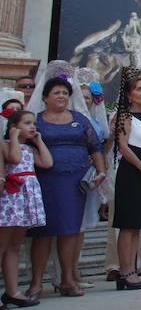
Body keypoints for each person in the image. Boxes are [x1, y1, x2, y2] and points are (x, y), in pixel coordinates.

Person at [26, 72, 106, 298]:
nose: (61, 96)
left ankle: (68, 279)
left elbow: (95, 147)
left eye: (65, 93)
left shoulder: (80, 120)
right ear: (45, 97)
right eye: (56, 93)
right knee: (43, 232)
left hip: (75, 183)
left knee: (70, 231)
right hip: (45, 181)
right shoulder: (37, 120)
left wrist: (100, 172)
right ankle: (36, 283)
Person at [111, 68, 141, 291]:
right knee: (127, 224)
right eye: (139, 89)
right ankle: (125, 272)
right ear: (129, 94)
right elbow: (122, 146)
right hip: (130, 172)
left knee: (137, 225)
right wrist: (140, 166)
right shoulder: (125, 116)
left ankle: (132, 270)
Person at [0, 110, 51, 309]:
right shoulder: (5, 145)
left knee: (14, 246)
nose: (32, 127)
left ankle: (13, 291)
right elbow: (13, 159)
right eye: (27, 123)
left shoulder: (30, 148)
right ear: (14, 126)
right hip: (11, 199)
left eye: (34, 123)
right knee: (2, 246)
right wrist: (13, 137)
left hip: (26, 200)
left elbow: (47, 162)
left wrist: (39, 141)